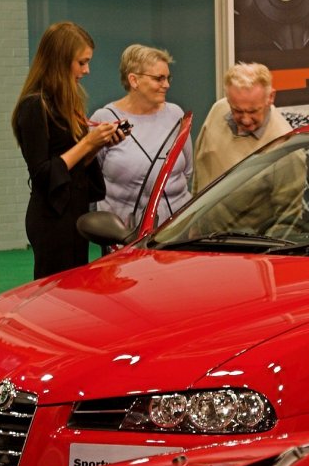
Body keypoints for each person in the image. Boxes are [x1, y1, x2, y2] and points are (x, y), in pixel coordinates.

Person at [11, 21, 125, 279]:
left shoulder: (66, 103)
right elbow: (43, 173)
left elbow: (69, 167)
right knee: (54, 293)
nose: (86, 70)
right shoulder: (34, 107)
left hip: (74, 211)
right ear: (60, 61)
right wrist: (88, 143)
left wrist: (97, 145)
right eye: (81, 63)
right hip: (51, 217)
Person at [90, 44, 193, 229]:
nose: (167, 85)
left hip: (176, 229)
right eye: (159, 79)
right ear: (133, 80)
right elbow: (91, 179)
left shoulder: (176, 114)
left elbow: (188, 170)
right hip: (124, 232)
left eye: (168, 78)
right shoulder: (105, 119)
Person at [192, 62, 293, 192]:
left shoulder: (285, 144)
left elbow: (288, 210)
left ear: (271, 97)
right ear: (228, 100)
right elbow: (200, 167)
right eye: (237, 110)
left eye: (253, 111)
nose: (245, 120)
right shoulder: (218, 110)